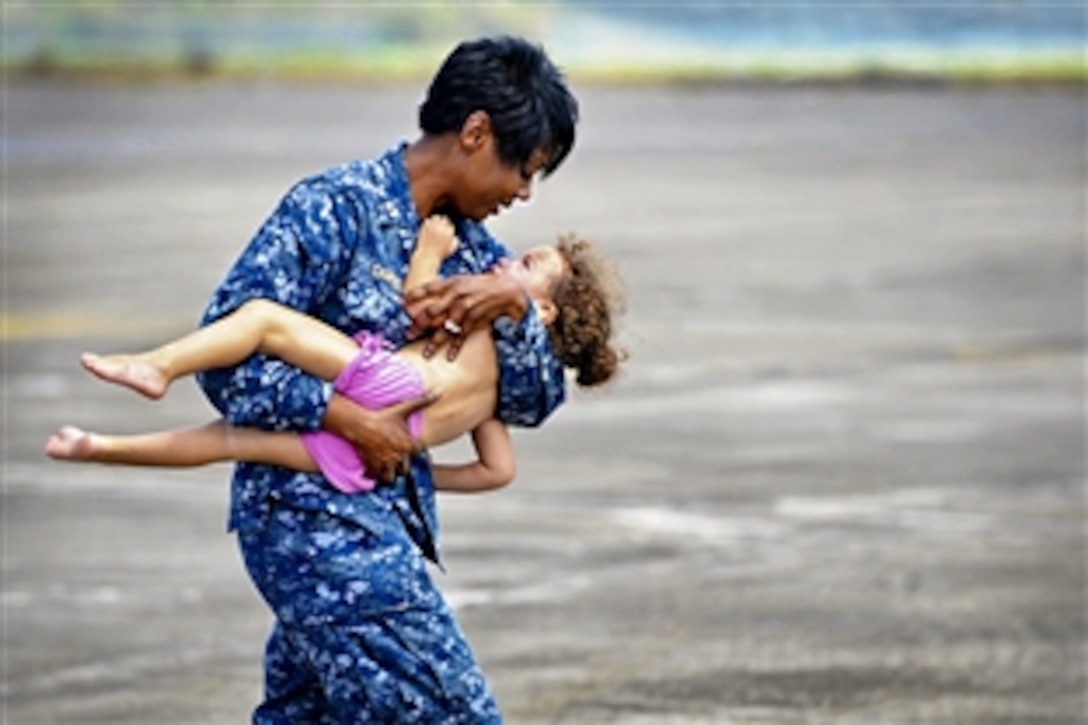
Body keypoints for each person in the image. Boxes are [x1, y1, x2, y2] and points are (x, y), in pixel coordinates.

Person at [133, 35, 577, 723]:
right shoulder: (334, 207)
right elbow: (225, 355)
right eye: (525, 168)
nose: (524, 192)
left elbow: (535, 398)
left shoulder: (480, 256)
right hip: (311, 523)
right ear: (476, 132)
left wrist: (512, 305)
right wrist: (338, 413)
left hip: (383, 525)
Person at [45, 220, 625, 498]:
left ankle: (159, 366)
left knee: (265, 321)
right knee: (227, 441)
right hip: (390, 447)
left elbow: (417, 305)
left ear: (544, 312)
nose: (505, 265)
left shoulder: (498, 317)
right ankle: (99, 449)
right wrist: (417, 474)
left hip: (393, 382)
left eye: (525, 264)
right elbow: (498, 471)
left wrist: (430, 251)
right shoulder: (514, 390)